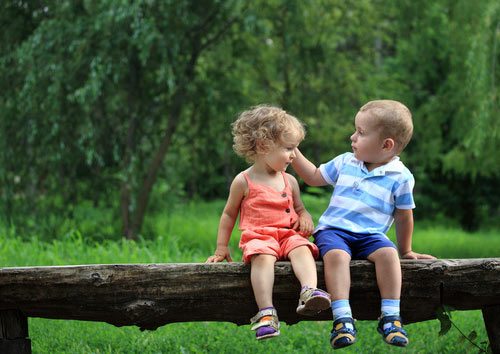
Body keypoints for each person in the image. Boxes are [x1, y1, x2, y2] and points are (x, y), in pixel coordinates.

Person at [291, 100, 435, 349]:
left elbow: (403, 215)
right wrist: (293, 151)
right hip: (334, 231)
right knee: (336, 256)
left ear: (386, 145)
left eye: (361, 132)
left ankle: (391, 316)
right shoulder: (346, 162)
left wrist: (407, 251)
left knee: (389, 255)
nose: (353, 136)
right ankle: (342, 317)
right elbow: (314, 176)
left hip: (370, 235)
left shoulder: (401, 177)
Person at [206, 105, 331, 340]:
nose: (294, 155)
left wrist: (305, 217)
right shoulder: (243, 181)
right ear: (264, 146)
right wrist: (222, 247)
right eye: (289, 148)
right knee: (262, 258)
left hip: (287, 235)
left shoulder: (290, 180)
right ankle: (266, 312)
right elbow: (228, 214)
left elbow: (300, 208)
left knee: (303, 248)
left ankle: (309, 291)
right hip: (260, 236)